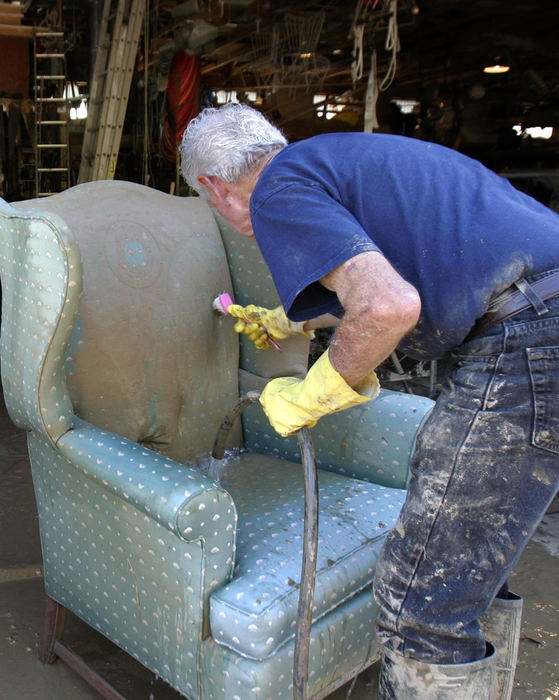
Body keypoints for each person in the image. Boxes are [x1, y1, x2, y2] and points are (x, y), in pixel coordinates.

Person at [180, 103, 559, 698]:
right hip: (542, 309)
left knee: (423, 602)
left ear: (213, 188)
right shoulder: (335, 160)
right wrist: (295, 319)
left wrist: (314, 394)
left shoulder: (276, 191)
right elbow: (385, 279)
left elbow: (388, 307)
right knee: (473, 568)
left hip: (531, 335)